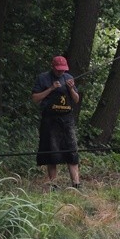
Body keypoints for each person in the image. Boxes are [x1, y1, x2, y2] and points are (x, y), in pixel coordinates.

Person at [31, 55, 81, 188]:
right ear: (52, 67)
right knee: (51, 152)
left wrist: (71, 88)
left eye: (63, 70)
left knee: (72, 151)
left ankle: (76, 184)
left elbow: (76, 99)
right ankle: (53, 185)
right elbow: (35, 98)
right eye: (58, 70)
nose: (61, 72)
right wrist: (51, 89)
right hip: (50, 120)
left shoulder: (69, 78)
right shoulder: (43, 78)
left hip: (66, 120)